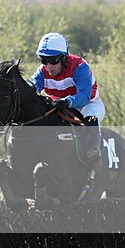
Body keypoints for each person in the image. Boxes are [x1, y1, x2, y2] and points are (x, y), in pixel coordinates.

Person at [31, 32, 105, 168]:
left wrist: (66, 101)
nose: (48, 66)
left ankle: (93, 150)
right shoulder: (42, 71)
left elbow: (84, 96)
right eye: (44, 60)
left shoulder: (80, 67)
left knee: (89, 117)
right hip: (61, 106)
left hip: (87, 105)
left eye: (53, 61)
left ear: (64, 58)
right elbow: (31, 88)